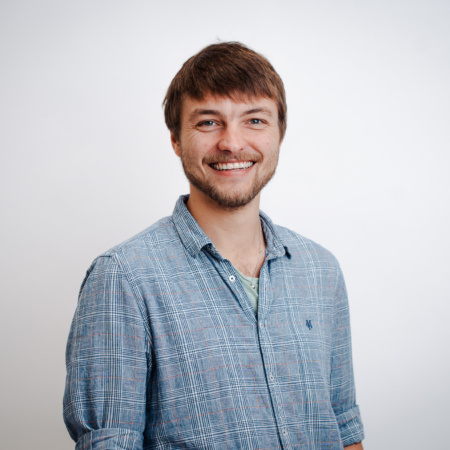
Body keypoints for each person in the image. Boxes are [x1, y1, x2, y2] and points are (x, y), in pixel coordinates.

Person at [63, 42, 364, 450]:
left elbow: (343, 428)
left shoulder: (321, 270)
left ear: (279, 133)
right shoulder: (123, 279)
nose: (232, 143)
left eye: (254, 120)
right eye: (208, 122)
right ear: (176, 139)